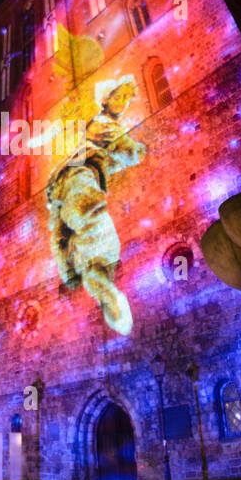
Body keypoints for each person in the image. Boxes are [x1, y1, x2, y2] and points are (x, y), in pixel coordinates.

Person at [45, 74, 146, 335]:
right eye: (119, 96)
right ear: (105, 99)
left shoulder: (94, 130)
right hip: (78, 179)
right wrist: (145, 148)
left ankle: (94, 282)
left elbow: (113, 157)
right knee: (97, 226)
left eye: (127, 98)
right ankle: (91, 276)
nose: (124, 102)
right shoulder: (104, 123)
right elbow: (129, 150)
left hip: (59, 194)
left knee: (72, 240)